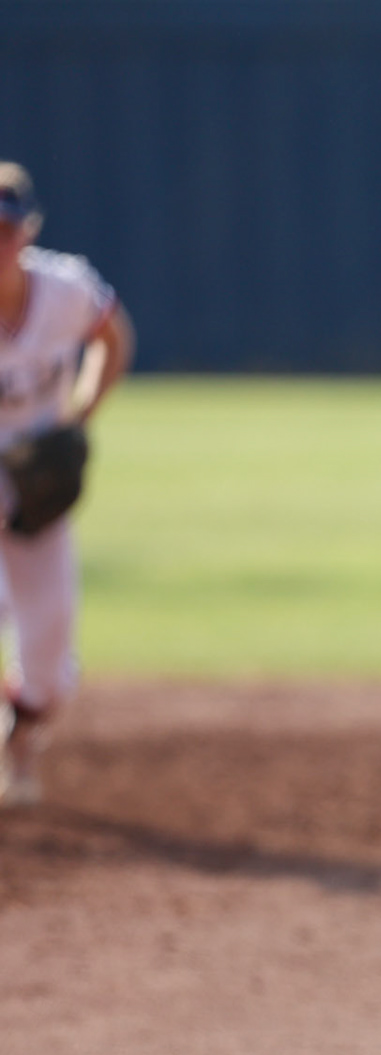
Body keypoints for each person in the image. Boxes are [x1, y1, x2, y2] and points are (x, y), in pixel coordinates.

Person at [0, 162, 136, 805]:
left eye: (4, 228)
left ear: (25, 230)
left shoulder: (66, 288)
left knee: (51, 674)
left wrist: (82, 411)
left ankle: (19, 737)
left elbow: (113, 338)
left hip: (40, 479)